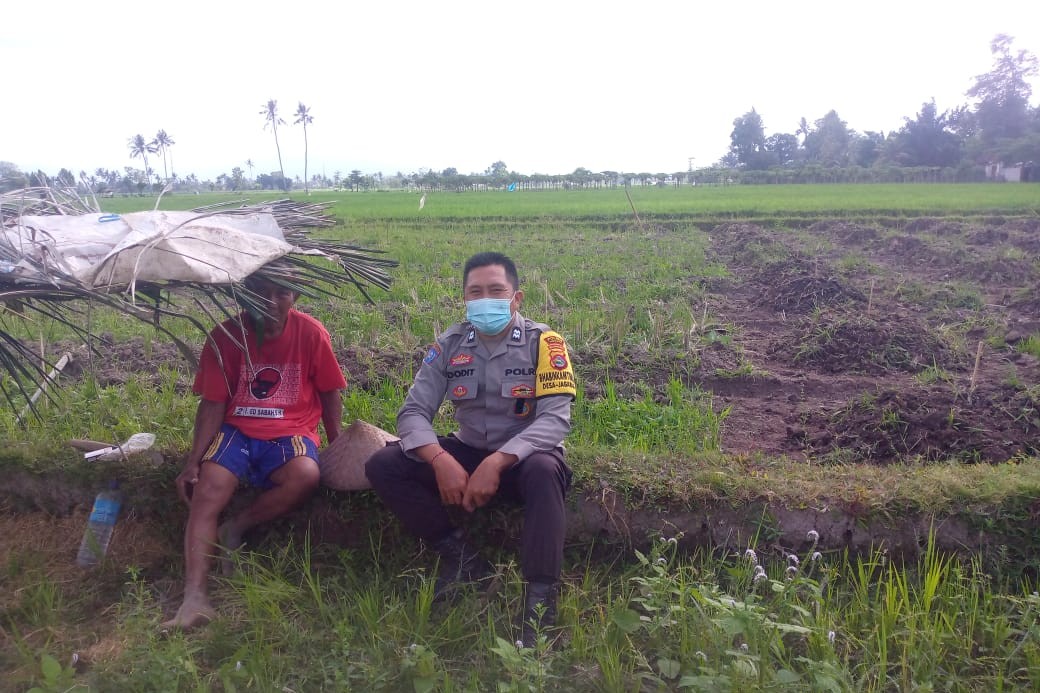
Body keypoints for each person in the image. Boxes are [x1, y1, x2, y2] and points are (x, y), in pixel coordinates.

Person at [365, 251, 576, 647]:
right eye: (475, 291)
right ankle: (462, 560)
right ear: (464, 298)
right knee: (384, 464)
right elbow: (413, 412)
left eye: (496, 290)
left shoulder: (545, 343)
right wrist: (440, 459)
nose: (485, 299)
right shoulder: (450, 344)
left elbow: (554, 421)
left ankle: (540, 601)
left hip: (524, 459)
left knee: (546, 472)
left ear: (517, 297)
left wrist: (497, 462)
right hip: (466, 450)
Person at [162, 275, 346, 629]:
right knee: (208, 490)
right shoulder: (225, 336)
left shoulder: (311, 333)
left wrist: (336, 444)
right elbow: (213, 403)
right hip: (237, 432)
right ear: (244, 296)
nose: (272, 302)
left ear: (295, 296)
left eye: (282, 293)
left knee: (306, 475)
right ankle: (194, 596)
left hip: (290, 431)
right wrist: (192, 462)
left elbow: (329, 392)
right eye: (261, 293)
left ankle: (237, 526)